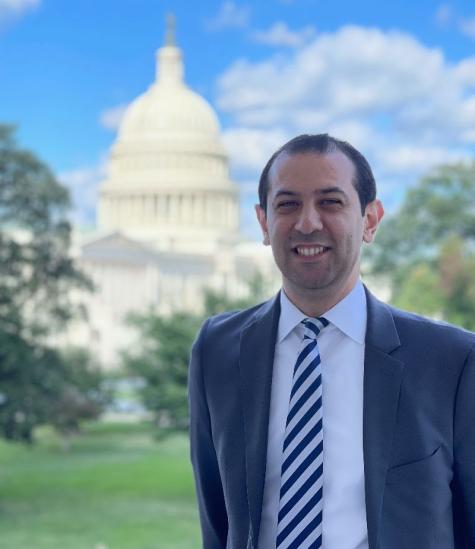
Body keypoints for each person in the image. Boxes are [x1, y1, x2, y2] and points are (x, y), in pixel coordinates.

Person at [188, 134, 475, 549]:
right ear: (264, 223)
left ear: (370, 220)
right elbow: (217, 519)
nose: (307, 222)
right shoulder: (217, 349)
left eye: (331, 202)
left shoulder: (452, 361)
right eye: (287, 204)